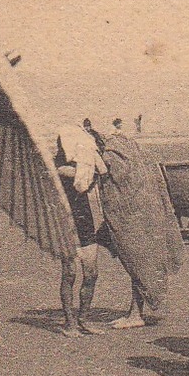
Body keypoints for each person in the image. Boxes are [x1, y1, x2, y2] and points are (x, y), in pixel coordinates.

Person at [94, 121, 183, 328]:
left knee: (137, 261)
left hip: (132, 216)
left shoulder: (110, 156)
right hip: (146, 213)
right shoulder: (134, 150)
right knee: (139, 260)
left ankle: (136, 314)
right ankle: (135, 312)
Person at [54, 125, 106, 336]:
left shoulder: (84, 167)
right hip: (66, 223)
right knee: (70, 273)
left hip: (85, 220)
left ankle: (83, 318)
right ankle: (69, 322)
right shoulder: (58, 167)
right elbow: (74, 177)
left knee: (91, 274)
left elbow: (92, 179)